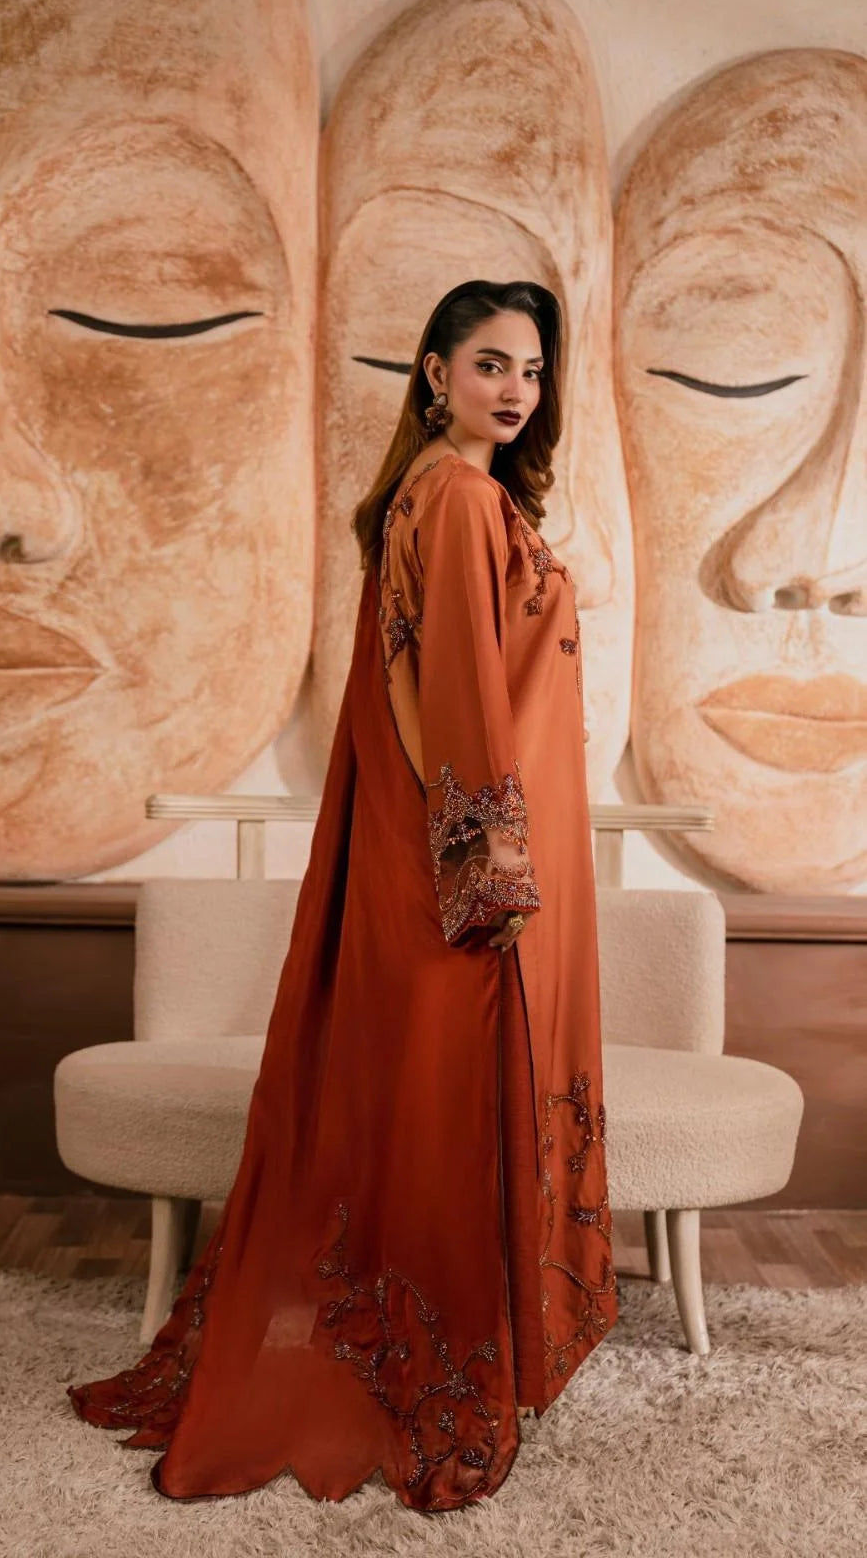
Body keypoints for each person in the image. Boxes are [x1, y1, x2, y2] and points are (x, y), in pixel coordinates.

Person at [66, 279, 619, 1513]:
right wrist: (485, 876)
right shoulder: (464, 495)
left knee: (410, 1106)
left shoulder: (428, 489)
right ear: (432, 372)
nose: (515, 388)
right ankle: (418, 1371)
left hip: (434, 849)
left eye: (530, 368)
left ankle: (396, 1351)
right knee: (439, 1107)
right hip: (469, 869)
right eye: (489, 364)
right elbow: (462, 691)